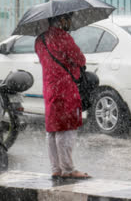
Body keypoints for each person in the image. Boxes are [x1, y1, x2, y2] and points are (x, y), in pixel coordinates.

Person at [35, 13, 91, 179]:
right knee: (67, 128)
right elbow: (80, 59)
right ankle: (68, 169)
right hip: (65, 87)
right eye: (68, 19)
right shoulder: (62, 38)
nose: (70, 22)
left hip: (49, 87)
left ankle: (56, 168)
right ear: (61, 20)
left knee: (53, 128)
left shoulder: (39, 40)